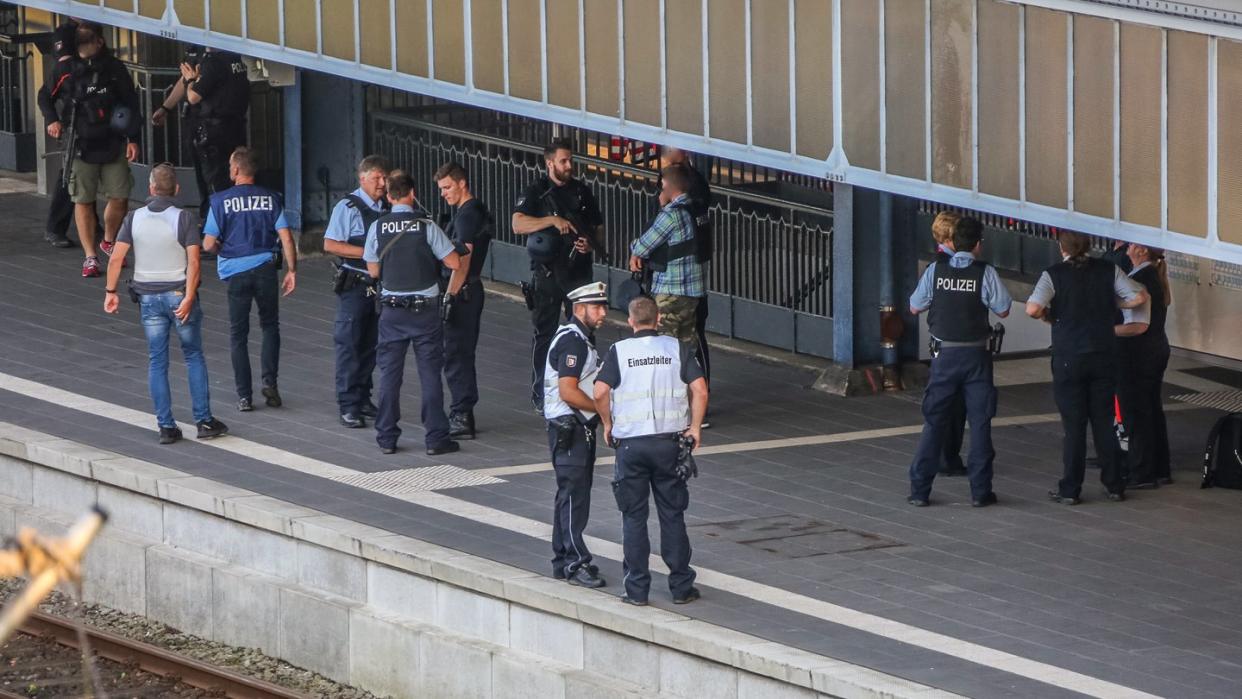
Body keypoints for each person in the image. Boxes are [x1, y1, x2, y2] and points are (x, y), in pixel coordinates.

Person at [594, 295, 708, 606]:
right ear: (658, 319)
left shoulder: (619, 351)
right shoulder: (675, 348)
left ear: (630, 322)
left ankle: (637, 591)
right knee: (672, 515)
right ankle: (681, 586)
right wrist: (695, 427)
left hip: (631, 445)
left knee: (633, 517)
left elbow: (600, 391)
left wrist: (608, 424)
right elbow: (700, 389)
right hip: (668, 444)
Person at [102, 164, 227, 444]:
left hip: (148, 299)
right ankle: (204, 421)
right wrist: (190, 296)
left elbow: (115, 258)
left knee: (157, 360)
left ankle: (166, 426)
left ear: (151, 188)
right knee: (193, 356)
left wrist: (111, 291)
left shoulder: (133, 218)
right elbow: (194, 261)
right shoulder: (183, 218)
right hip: (179, 295)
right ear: (177, 189)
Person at [1026, 231, 1147, 505]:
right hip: (1104, 354)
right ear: (1089, 246)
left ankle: (1070, 488)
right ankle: (1114, 484)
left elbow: (1032, 309)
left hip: (1069, 357)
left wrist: (1049, 315)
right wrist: (1115, 303)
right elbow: (1139, 297)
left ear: (1062, 248)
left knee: (1074, 426)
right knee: (1104, 422)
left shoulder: (1053, 274)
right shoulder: (1108, 269)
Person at [906, 217, 1012, 507]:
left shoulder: (935, 270)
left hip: (944, 358)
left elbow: (915, 306)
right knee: (980, 424)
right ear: (978, 244)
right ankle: (980, 492)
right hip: (977, 357)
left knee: (934, 423)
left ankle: (919, 491)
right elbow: (1003, 309)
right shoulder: (985, 272)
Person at [364, 170, 462, 456]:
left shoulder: (378, 227)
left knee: (389, 376)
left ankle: (386, 438)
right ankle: (435, 438)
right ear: (412, 193)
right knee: (430, 375)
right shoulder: (426, 225)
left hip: (392, 313)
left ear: (389, 196)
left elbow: (373, 270)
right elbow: (454, 262)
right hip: (425, 312)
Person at [512, 139, 605, 415]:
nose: (569, 166)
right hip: (548, 275)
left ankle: (585, 390)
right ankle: (541, 392)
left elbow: (597, 227)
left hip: (578, 274)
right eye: (563, 161)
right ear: (549, 162)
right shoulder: (536, 191)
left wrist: (589, 244)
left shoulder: (582, 192)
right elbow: (517, 223)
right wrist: (551, 221)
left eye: (570, 160)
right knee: (545, 333)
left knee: (585, 333)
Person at [202, 147, 297, 412]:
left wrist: (224, 250)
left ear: (234, 170)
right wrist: (292, 270)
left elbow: (208, 243)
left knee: (238, 334)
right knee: (269, 326)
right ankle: (271, 384)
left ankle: (244, 396)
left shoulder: (220, 201)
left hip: (235, 272)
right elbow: (287, 237)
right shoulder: (271, 198)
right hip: (265, 267)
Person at [45, 22, 141, 278]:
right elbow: (45, 96)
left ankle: (108, 241)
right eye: (79, 46)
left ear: (99, 42)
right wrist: (51, 120)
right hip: (81, 143)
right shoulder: (65, 69)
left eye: (86, 45)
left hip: (113, 141)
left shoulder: (115, 68)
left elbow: (131, 102)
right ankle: (90, 257)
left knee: (120, 196)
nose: (82, 50)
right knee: (82, 200)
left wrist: (134, 137)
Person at [543, 282, 610, 589]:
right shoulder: (574, 342)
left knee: (569, 496)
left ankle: (563, 561)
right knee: (574, 497)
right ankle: (575, 562)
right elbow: (568, 391)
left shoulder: (577, 338)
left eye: (603, 306)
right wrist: (602, 409)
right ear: (579, 309)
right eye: (597, 307)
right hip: (570, 428)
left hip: (571, 427)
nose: (603, 313)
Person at [324, 155, 391, 429]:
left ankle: (363, 398)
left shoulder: (387, 206)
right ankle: (348, 405)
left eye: (384, 178)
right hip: (354, 283)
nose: (382, 183)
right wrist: (367, 253)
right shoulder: (348, 206)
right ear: (362, 178)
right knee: (349, 344)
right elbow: (330, 243)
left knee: (370, 345)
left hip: (379, 287)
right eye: (377, 178)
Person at [152, 46, 250, 220]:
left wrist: (191, 81)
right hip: (231, 128)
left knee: (214, 183)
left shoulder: (214, 62)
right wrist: (166, 107)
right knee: (227, 178)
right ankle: (220, 225)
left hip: (214, 132)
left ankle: (215, 229)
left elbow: (193, 95)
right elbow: (185, 79)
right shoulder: (235, 55)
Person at [435, 162, 493, 440]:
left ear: (462, 183)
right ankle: (461, 410)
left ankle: (461, 414)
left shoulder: (467, 216)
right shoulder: (472, 211)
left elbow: (463, 260)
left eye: (447, 187)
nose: (444, 193)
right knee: (459, 352)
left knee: (456, 353)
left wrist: (450, 295)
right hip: (469, 290)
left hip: (463, 291)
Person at [34, 16, 101, 249]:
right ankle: (56, 227)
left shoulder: (101, 66)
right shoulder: (67, 64)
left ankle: (93, 225)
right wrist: (52, 119)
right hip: (73, 121)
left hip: (97, 122)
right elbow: (47, 94)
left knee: (90, 175)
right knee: (71, 175)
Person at [629, 164, 707, 345]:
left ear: (667, 186)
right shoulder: (696, 208)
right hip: (693, 292)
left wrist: (635, 250)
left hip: (670, 292)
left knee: (663, 347)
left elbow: (642, 246)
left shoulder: (671, 215)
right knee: (685, 349)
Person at [1116, 243, 1172, 489]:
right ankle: (1160, 467)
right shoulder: (1155, 276)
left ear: (1141, 250)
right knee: (1151, 409)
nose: (1126, 249)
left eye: (1130, 245)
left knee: (1136, 413)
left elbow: (1137, 324)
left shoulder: (1139, 279)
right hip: (1157, 350)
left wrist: (1106, 331)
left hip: (1138, 354)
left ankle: (1142, 470)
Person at [929, 211, 968, 477]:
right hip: (960, 344)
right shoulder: (957, 266)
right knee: (956, 405)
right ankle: (948, 456)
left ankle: (944, 455)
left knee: (945, 400)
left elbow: (916, 303)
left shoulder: (935, 265)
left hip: (940, 343)